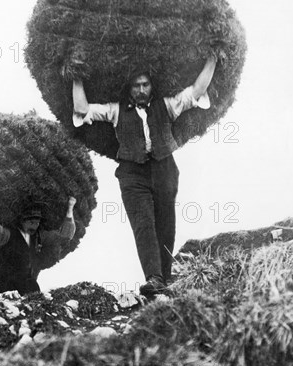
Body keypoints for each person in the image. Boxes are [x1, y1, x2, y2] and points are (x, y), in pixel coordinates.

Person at [72, 55, 217, 294]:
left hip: (164, 168)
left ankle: (165, 280)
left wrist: (213, 58)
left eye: (145, 84)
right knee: (143, 224)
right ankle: (154, 277)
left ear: (152, 85)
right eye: (136, 85)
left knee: (166, 223)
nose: (141, 90)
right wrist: (76, 76)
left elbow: (197, 91)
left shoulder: (167, 105)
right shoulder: (115, 110)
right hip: (131, 173)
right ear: (128, 88)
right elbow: (82, 109)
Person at [0, 182, 76, 295]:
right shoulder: (8, 235)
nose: (34, 225)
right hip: (8, 287)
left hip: (31, 286)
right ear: (21, 220)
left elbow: (64, 236)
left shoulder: (39, 236)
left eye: (37, 222)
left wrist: (70, 208)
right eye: (31, 221)